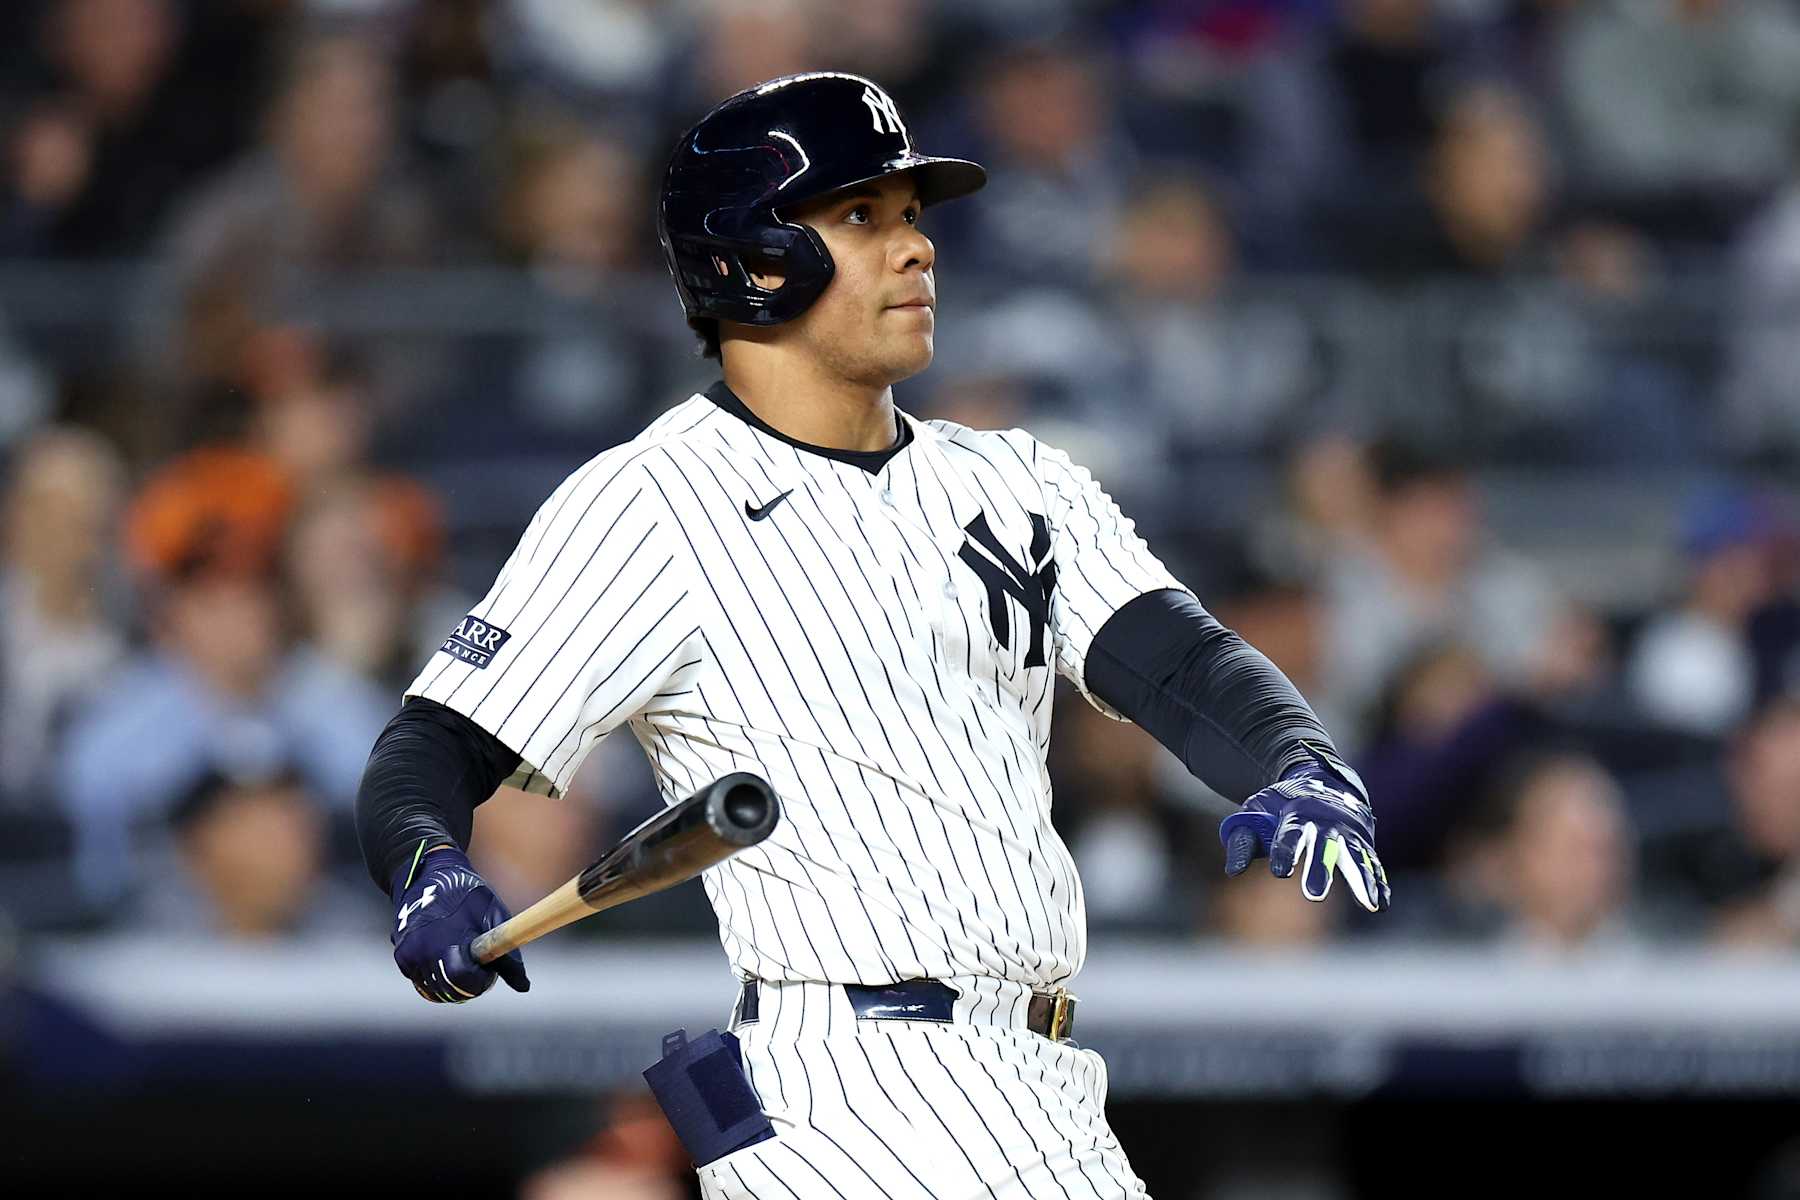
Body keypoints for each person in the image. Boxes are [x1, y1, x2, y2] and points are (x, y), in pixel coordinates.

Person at [355, 73, 1388, 1198]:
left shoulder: (1017, 478)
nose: (915, 251)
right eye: (862, 219)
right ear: (752, 259)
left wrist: (1298, 756)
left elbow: (1181, 662)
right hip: (839, 1085)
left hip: (1040, 1074)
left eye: (910, 218)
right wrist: (426, 865)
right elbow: (432, 746)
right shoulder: (651, 501)